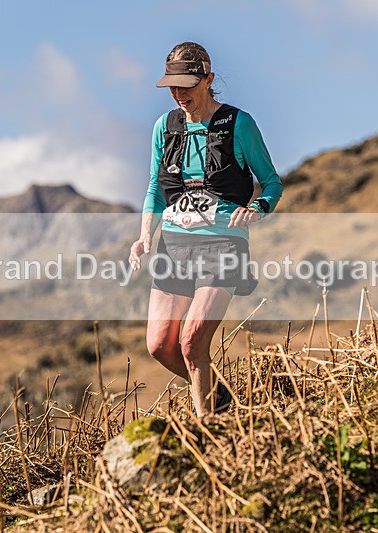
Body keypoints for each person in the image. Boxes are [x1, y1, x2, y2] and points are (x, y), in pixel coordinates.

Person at [128, 42, 282, 417]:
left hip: (222, 243)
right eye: (173, 88)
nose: (179, 95)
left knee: (192, 341)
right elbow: (154, 184)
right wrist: (145, 233)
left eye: (187, 86)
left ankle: (207, 430)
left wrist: (256, 209)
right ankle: (222, 401)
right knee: (161, 345)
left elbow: (272, 182)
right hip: (173, 244)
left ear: (208, 79)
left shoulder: (239, 124)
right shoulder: (165, 127)